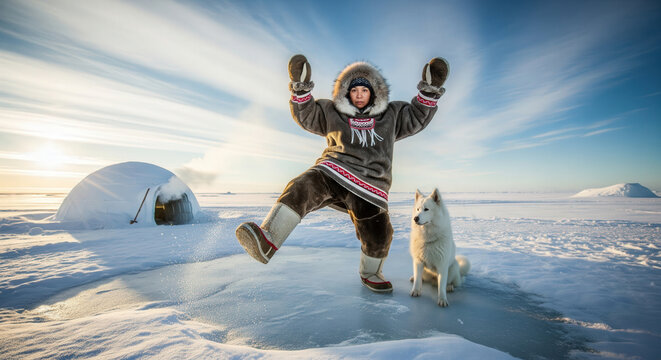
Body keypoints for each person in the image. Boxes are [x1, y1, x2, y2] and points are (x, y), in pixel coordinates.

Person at [235, 54, 448, 293]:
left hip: (371, 186)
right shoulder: (332, 111)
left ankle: (371, 273)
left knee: (379, 233)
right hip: (333, 171)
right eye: (354, 90)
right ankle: (269, 238)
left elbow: (416, 116)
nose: (358, 95)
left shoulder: (391, 114)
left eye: (364, 91)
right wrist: (301, 88)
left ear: (373, 92)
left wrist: (430, 90)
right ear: (346, 92)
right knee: (302, 187)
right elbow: (307, 115)